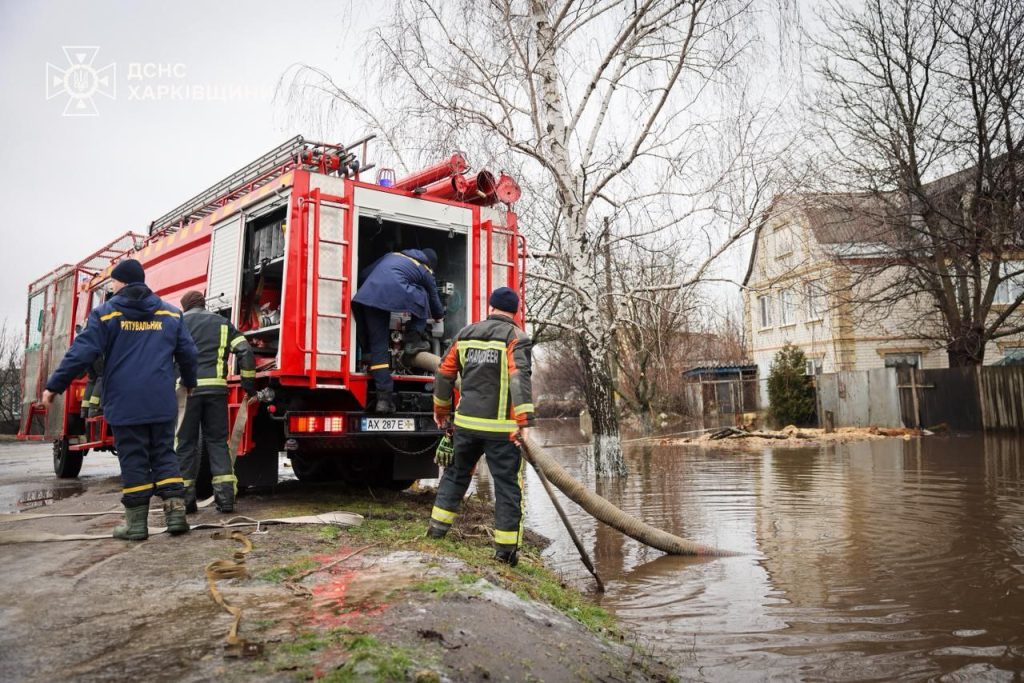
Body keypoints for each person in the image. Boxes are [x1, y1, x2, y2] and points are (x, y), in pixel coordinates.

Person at [42, 258, 198, 542]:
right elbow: (188, 353)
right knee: (164, 454)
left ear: (122, 282)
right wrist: (189, 382)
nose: (111, 286)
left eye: (113, 281)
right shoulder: (172, 314)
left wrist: (55, 385)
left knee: (134, 458)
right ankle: (176, 514)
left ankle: (136, 525)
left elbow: (82, 352)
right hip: (161, 400)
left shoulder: (105, 314)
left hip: (125, 403)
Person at [427, 286, 534, 567]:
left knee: (455, 476)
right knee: (508, 488)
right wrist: (524, 422)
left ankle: (435, 533)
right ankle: (505, 553)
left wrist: (442, 411)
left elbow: (444, 373)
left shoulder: (465, 334)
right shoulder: (516, 338)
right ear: (515, 311)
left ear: (491, 307)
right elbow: (519, 377)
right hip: (501, 431)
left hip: (465, 427)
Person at [175, 290, 257, 514]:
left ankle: (186, 501)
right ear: (203, 303)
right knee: (217, 442)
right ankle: (226, 500)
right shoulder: (222, 323)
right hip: (216, 392)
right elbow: (245, 351)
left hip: (187, 391)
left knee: (185, 444)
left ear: (185, 306)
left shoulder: (178, 323)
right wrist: (248, 385)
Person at [351, 247, 445, 413]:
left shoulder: (391, 256)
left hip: (366, 298)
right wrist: (438, 315)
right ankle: (413, 340)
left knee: (378, 350)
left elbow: (364, 275)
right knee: (423, 293)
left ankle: (384, 400)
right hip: (383, 299)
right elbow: (434, 301)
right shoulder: (425, 269)